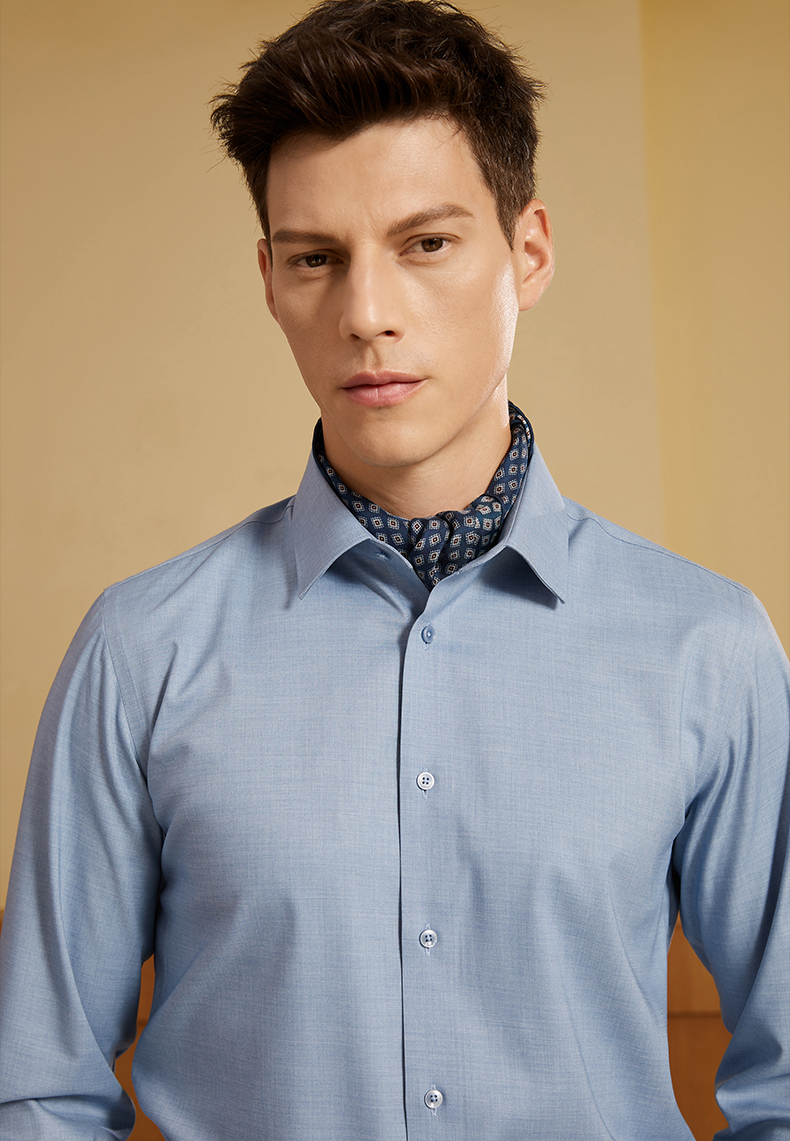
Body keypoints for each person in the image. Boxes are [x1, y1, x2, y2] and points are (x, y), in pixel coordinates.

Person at [0, 0, 787, 1136]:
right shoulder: (140, 650)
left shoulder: (708, 648)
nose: (366, 314)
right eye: (317, 259)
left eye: (426, 244)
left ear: (528, 252)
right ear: (269, 279)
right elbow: (38, 1088)